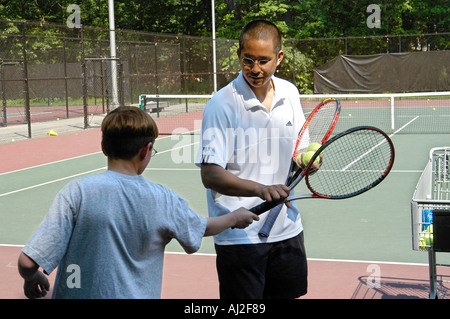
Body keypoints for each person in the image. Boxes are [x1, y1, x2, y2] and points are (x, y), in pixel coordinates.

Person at [17, 106, 259, 299]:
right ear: (147, 150)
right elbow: (200, 227)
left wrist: (32, 278)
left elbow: (28, 262)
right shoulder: (163, 198)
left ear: (103, 148)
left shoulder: (76, 192)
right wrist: (234, 218)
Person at [195, 20, 308, 299]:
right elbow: (211, 175)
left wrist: (307, 162)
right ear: (239, 55)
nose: (255, 69)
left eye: (263, 60)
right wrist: (261, 189)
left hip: (287, 231)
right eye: (248, 60)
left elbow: (299, 154)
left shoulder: (290, 94)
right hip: (239, 235)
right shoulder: (221, 105)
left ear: (279, 57)